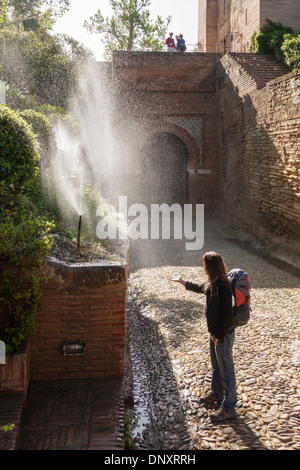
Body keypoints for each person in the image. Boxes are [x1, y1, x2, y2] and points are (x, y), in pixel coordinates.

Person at [169, 251, 237, 421]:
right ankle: (216, 393)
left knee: (227, 371)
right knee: (216, 367)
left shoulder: (223, 285)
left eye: (205, 265)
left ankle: (229, 408)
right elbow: (201, 288)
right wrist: (183, 282)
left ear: (211, 266)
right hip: (214, 333)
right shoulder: (212, 282)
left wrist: (219, 336)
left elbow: (228, 317)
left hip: (223, 335)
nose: (203, 268)